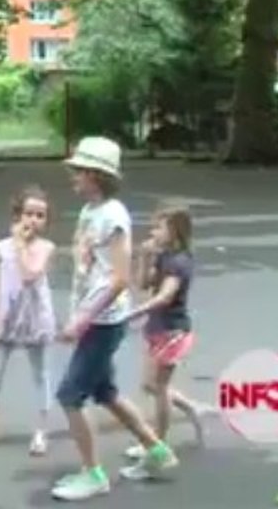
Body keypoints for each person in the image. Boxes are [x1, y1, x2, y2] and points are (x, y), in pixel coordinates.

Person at [51, 137, 178, 502]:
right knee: (105, 391)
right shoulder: (91, 212)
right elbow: (90, 269)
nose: (73, 177)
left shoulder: (113, 215)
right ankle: (157, 450)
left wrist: (82, 319)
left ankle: (94, 474)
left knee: (70, 395)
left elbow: (120, 277)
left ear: (95, 175)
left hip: (104, 321)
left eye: (78, 171)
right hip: (95, 317)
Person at [0, 185, 56, 457]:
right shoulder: (0, 249)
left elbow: (30, 275)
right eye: (29, 214)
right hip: (7, 318)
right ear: (18, 215)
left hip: (35, 318)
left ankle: (41, 431)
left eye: (40, 216)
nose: (33, 221)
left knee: (40, 374)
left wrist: (19, 246)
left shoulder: (45, 248)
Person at [116, 203, 206, 478]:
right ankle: (191, 408)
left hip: (173, 332)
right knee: (149, 385)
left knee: (161, 388)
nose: (154, 231)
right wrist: (144, 257)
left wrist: (133, 313)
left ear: (175, 230)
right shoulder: (164, 256)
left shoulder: (179, 261)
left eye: (159, 226)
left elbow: (165, 296)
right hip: (157, 329)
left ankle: (157, 445)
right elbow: (143, 284)